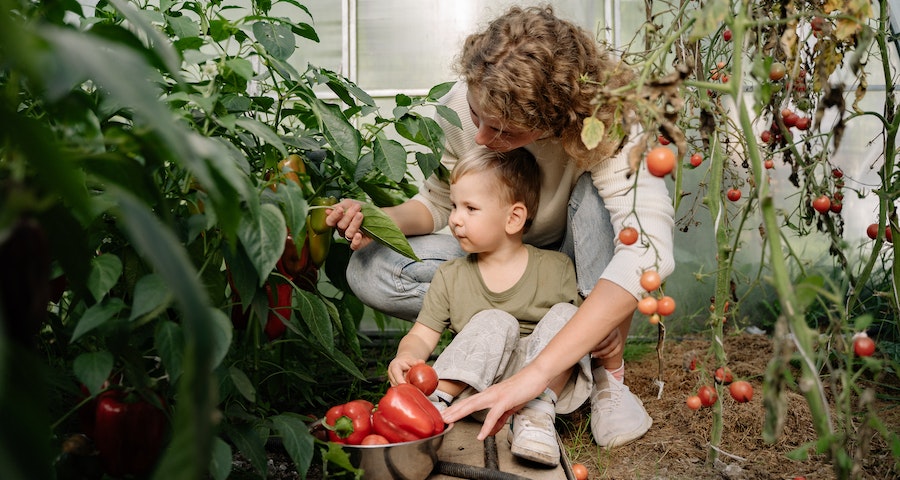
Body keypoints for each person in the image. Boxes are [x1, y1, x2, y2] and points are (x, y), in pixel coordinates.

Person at [325, 5, 675, 447]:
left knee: (605, 209)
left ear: (555, 121)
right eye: (477, 118)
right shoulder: (462, 104)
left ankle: (604, 373)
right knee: (370, 267)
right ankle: (500, 340)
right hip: (495, 254)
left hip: (572, 268)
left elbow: (649, 250)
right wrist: (375, 219)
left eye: (507, 132)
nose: (484, 140)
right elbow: (437, 204)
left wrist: (538, 375)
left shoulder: (609, 122)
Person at [387, 146, 591, 467]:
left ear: (513, 218)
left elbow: (581, 339)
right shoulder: (450, 275)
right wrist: (406, 356)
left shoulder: (557, 268)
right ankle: (438, 403)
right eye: (454, 206)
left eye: (470, 208)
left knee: (571, 317)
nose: (454, 219)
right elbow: (422, 335)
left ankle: (535, 417)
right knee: (497, 320)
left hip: (537, 388)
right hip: (474, 388)